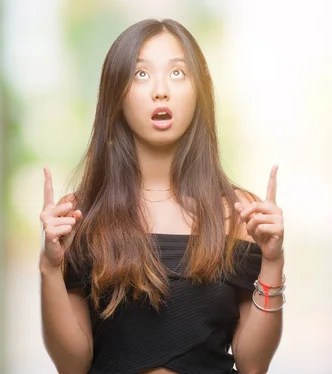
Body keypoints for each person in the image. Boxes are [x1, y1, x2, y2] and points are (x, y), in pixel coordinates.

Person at [39, 19, 285, 374]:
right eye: (141, 74)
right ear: (116, 94)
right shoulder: (82, 216)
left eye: (177, 73)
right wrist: (49, 267)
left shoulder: (238, 213)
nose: (160, 91)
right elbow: (72, 364)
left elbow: (253, 364)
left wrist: (273, 261)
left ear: (199, 91)